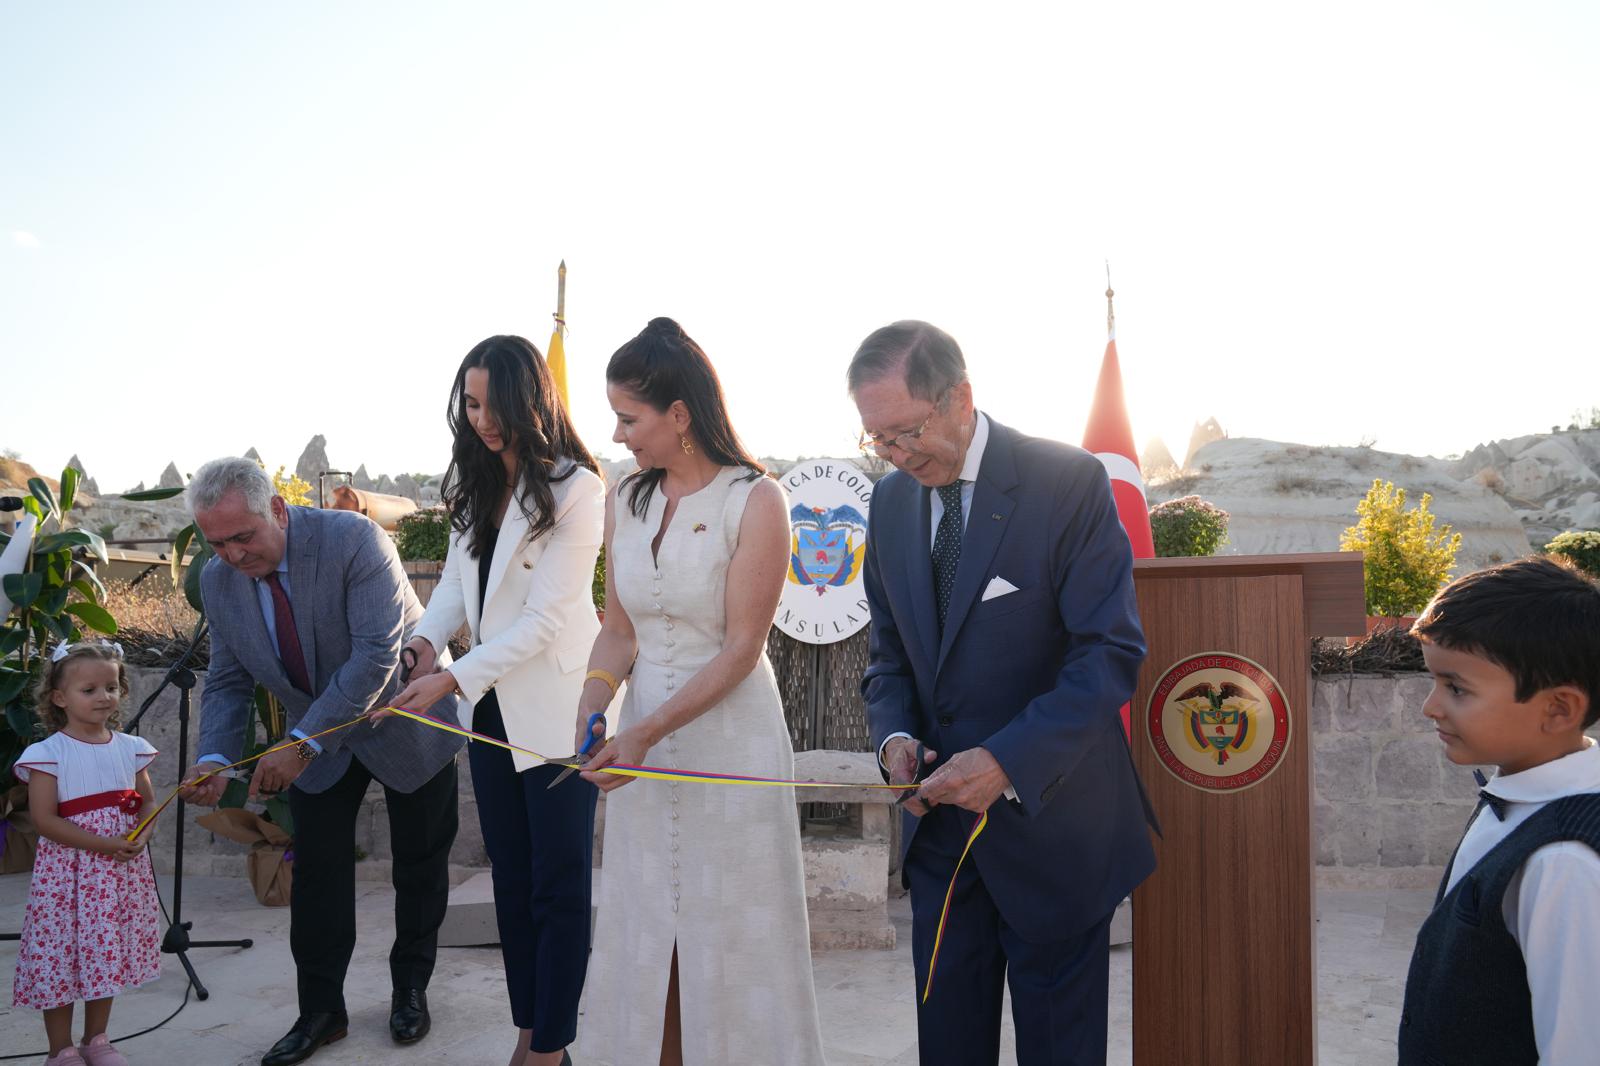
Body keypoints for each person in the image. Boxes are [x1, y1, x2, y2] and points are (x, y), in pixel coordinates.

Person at [849, 320, 1159, 1065]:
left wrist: (1006, 762)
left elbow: (1109, 652)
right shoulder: (889, 504)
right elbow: (888, 656)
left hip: (1056, 833)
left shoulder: (1065, 482)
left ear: (960, 397)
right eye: (877, 440)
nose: (895, 454)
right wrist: (894, 739)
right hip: (942, 848)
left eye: (907, 431)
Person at [575, 317, 826, 1066]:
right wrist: (592, 708)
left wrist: (645, 734)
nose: (617, 435)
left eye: (629, 418)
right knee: (647, 924)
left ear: (679, 415)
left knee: (734, 930)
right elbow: (618, 630)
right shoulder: (626, 498)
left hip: (732, 747)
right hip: (638, 744)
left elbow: (744, 649)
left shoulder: (757, 501)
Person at [176, 457, 464, 1066]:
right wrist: (215, 759)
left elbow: (374, 657)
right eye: (216, 542)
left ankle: (410, 989)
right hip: (313, 743)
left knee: (419, 863)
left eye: (243, 537)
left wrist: (303, 743)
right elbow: (227, 679)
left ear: (277, 509)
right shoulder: (218, 581)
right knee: (317, 876)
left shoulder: (355, 539)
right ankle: (321, 1011)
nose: (230, 556)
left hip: (401, 717)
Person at [384, 335, 607, 1066]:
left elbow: (545, 620)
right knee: (512, 884)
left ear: (532, 399)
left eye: (495, 403)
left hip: (559, 709)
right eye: (471, 403)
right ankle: (529, 1034)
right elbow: (453, 588)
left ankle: (550, 1048)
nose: (482, 419)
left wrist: (449, 678)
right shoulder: (474, 485)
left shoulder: (580, 488)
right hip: (490, 713)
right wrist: (423, 643)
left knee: (559, 885)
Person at [1399, 555, 1600, 1065]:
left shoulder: (1563, 863)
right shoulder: (1517, 792)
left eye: (1457, 688)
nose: (1431, 707)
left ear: (1558, 709)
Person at [13, 641, 160, 1066]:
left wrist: (140, 836)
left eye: (111, 687)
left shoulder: (130, 746)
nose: (104, 697)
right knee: (59, 955)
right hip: (68, 876)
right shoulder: (48, 755)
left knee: (104, 950)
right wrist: (106, 844)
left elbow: (147, 802)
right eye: (89, 689)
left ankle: (97, 1040)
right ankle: (60, 1050)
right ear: (59, 698)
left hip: (115, 875)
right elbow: (45, 819)